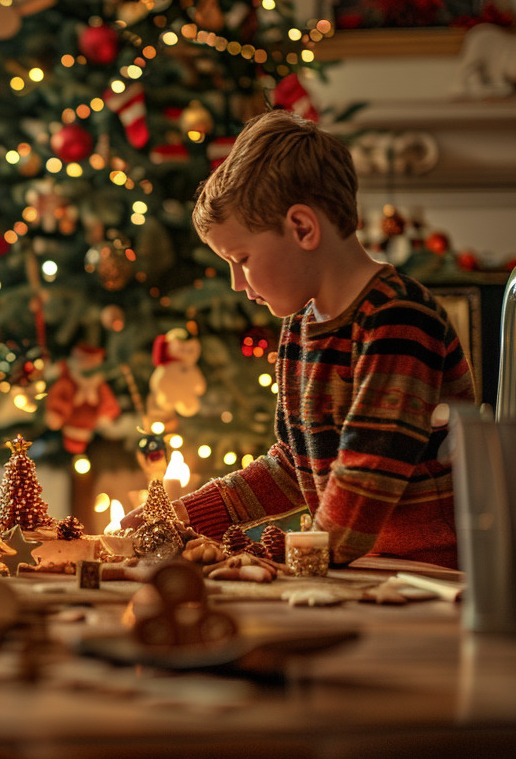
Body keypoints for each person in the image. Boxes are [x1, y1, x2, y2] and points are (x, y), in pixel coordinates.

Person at [126, 109, 474, 569]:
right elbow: (293, 467)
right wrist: (171, 518)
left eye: (242, 258)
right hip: (360, 568)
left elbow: (363, 485)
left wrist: (258, 552)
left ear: (303, 228)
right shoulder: (300, 328)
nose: (235, 282)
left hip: (430, 573)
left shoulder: (399, 320)